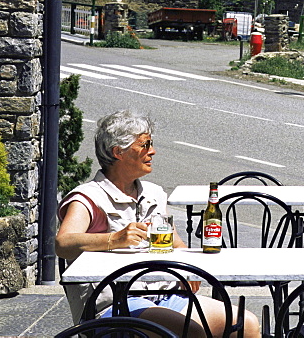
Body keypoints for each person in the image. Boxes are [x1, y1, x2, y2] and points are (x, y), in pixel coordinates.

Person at [56, 110, 259, 337]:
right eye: (145, 145)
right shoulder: (89, 198)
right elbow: (63, 243)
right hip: (115, 305)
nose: (152, 151)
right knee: (191, 332)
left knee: (245, 324)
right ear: (118, 152)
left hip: (165, 295)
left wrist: (189, 272)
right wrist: (114, 239)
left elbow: (177, 245)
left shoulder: (153, 194)